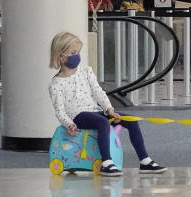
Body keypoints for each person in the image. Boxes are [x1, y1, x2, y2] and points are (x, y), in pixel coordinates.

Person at [49, 31, 167, 176]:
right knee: (102, 123)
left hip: (95, 111)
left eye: (78, 52)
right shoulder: (56, 84)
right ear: (61, 57)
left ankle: (145, 161)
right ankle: (106, 163)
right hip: (78, 116)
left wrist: (109, 109)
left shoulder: (86, 72)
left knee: (131, 121)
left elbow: (98, 92)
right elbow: (60, 111)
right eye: (73, 52)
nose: (77, 56)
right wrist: (69, 124)